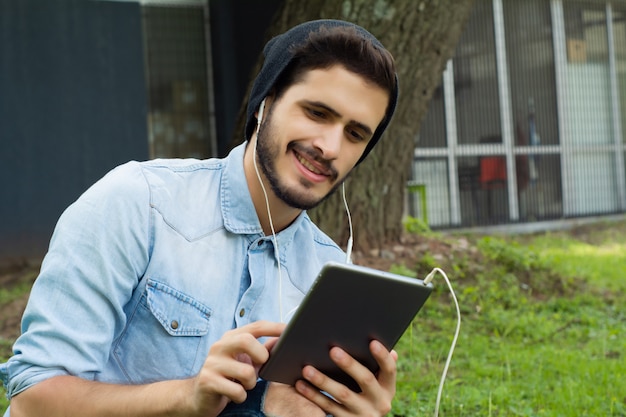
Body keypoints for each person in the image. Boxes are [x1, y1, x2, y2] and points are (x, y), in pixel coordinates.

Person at [0, 18, 399, 417]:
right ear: (265, 102)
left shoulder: (331, 275)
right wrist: (188, 397)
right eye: (317, 112)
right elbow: (32, 401)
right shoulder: (139, 203)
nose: (330, 147)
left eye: (355, 134)